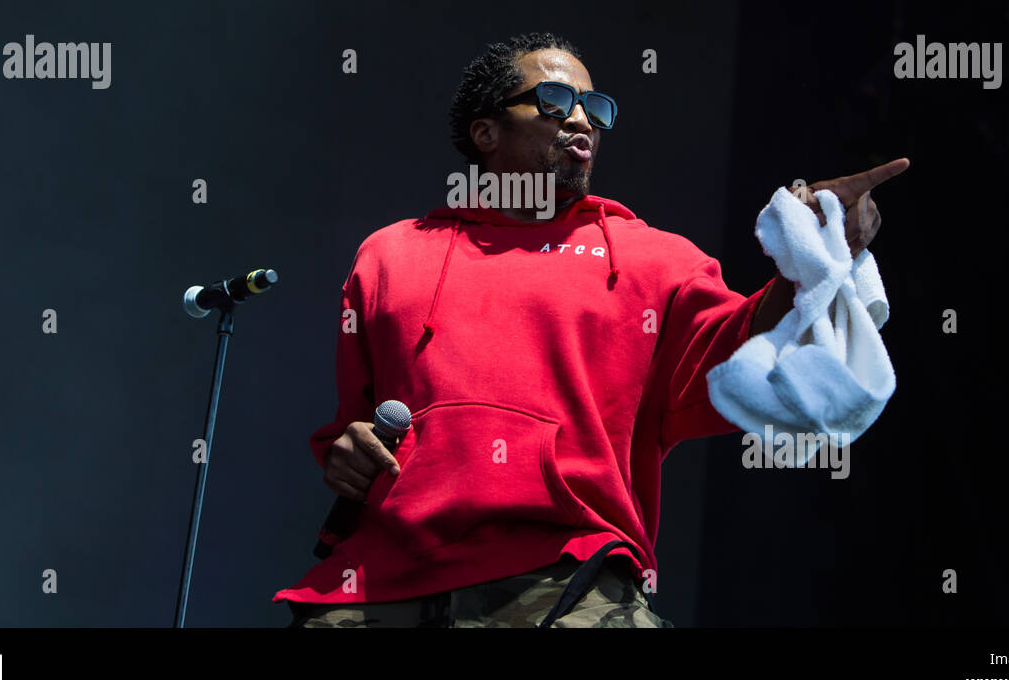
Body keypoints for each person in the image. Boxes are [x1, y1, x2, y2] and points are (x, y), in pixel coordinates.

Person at [274, 31, 907, 627]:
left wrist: (820, 254)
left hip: (565, 573)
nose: (581, 120)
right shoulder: (391, 255)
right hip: (382, 580)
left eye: (594, 107)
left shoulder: (652, 259)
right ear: (485, 132)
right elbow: (353, 428)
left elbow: (744, 355)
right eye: (554, 101)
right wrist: (347, 451)